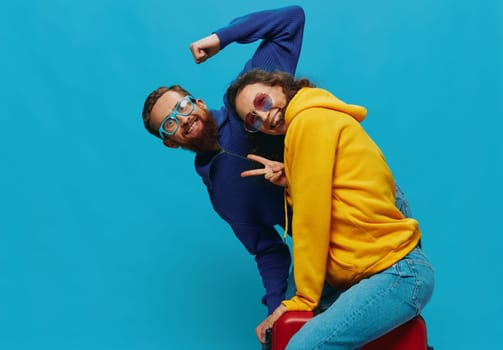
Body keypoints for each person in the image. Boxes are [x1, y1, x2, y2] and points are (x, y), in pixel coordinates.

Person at [141, 5, 413, 318]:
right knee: (305, 330)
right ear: (170, 142)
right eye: (171, 124)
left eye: (183, 107)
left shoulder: (248, 101)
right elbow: (267, 249)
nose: (184, 119)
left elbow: (291, 20)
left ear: (198, 101)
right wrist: (274, 313)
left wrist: (222, 37)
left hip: (367, 205)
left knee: (399, 294)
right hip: (325, 248)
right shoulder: (222, 195)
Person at [227, 69, 435, 349]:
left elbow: (312, 220)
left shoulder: (307, 122)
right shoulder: (318, 115)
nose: (265, 117)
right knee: (279, 337)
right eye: (253, 120)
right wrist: (295, 179)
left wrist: (303, 299)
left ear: (279, 85)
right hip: (381, 271)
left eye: (262, 102)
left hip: (396, 273)